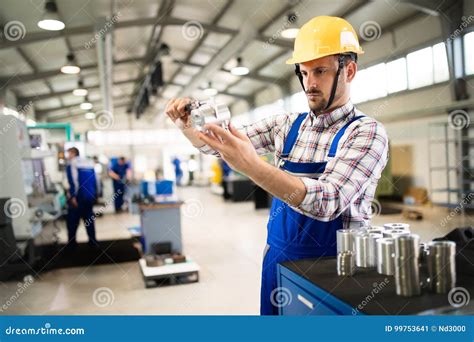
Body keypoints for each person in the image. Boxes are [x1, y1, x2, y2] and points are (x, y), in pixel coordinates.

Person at [165, 16, 389, 315]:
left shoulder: (366, 132)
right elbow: (223, 144)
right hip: (279, 260)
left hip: (337, 271)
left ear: (349, 71)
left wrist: (252, 166)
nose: (309, 83)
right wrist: (188, 126)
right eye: (304, 72)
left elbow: (328, 201)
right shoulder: (285, 125)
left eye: (320, 71)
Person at [65, 147, 98, 248]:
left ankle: (72, 245)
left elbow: (74, 181)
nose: (68, 156)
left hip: (79, 197)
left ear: (73, 153)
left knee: (72, 221)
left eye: (69, 154)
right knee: (89, 220)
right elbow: (95, 181)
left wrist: (73, 196)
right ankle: (93, 243)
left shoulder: (72, 163)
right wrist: (95, 195)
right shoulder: (89, 162)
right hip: (89, 196)